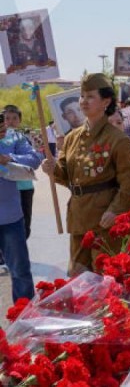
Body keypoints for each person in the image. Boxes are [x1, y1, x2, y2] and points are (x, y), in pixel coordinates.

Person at [42, 74, 130, 275]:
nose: (83, 101)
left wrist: (116, 210)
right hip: (78, 217)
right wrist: (52, 169)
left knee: (105, 277)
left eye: (90, 96)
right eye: (82, 96)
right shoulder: (72, 137)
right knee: (77, 276)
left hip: (104, 218)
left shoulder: (117, 139)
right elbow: (66, 175)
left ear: (106, 101)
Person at [0, 111, 40, 301]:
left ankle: (23, 318)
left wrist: (8, 158)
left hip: (10, 217)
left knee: (20, 271)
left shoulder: (15, 138)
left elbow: (34, 159)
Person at [3, 105, 44, 240]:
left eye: (14, 118)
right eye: (6, 118)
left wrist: (10, 157)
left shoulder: (21, 138)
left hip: (23, 188)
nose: (10, 121)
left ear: (19, 121)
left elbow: (35, 159)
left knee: (24, 226)